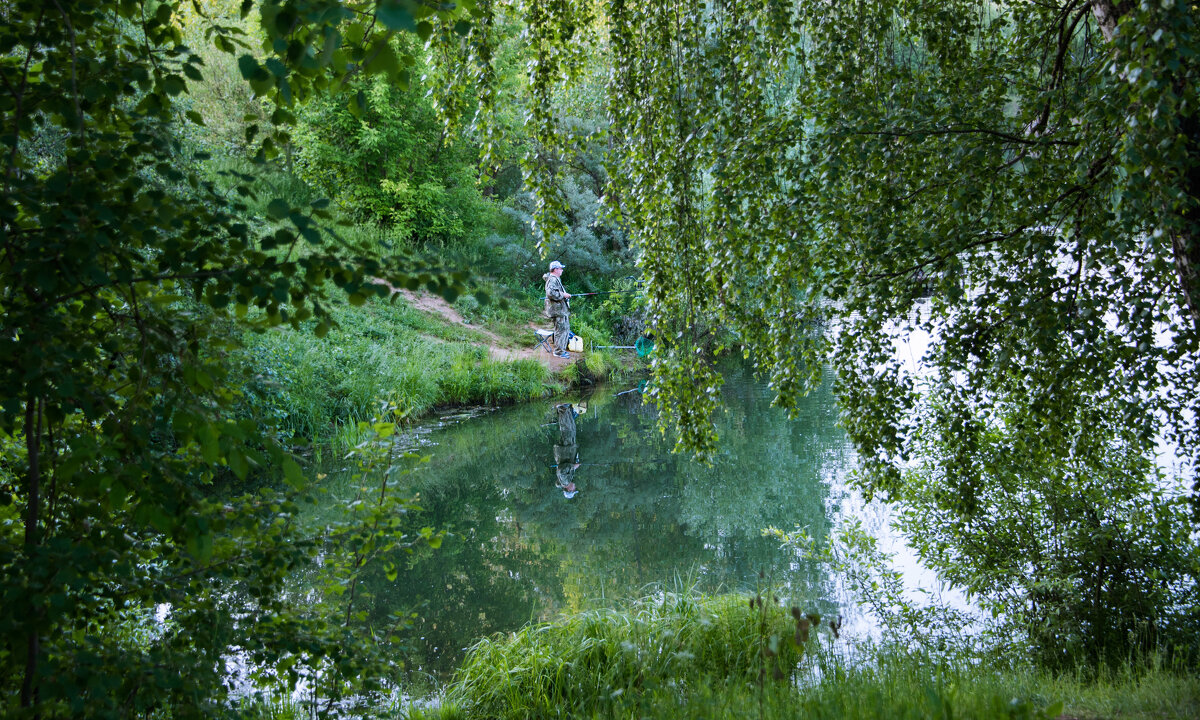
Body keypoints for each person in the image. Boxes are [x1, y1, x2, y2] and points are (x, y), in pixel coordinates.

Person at [543, 260, 573, 358]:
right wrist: (563, 295)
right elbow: (550, 293)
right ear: (555, 269)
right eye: (561, 268)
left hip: (559, 310)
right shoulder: (552, 279)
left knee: (562, 330)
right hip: (558, 311)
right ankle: (559, 352)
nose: (562, 270)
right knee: (561, 330)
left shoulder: (555, 279)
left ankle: (560, 350)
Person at [553, 403, 580, 498]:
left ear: (569, 489)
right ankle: (566, 409)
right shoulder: (567, 480)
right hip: (568, 449)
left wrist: (573, 466)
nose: (575, 487)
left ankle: (562, 408)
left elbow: (561, 469)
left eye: (574, 489)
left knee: (567, 430)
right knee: (571, 429)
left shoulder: (565, 481)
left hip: (565, 449)